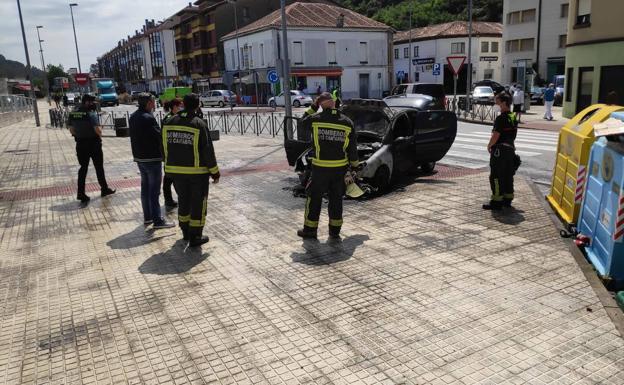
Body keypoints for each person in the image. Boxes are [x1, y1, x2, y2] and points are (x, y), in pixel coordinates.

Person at [297, 92, 358, 239]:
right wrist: (355, 167)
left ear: (321, 104)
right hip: (340, 170)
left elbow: (301, 122)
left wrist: (313, 107)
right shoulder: (347, 122)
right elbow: (352, 150)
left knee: (314, 198)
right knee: (336, 200)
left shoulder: (315, 119)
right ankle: (335, 231)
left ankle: (310, 231)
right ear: (334, 103)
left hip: (320, 170)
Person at [162, 93, 220, 247]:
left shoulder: (169, 121)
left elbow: (163, 147)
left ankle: (185, 233)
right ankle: (196, 236)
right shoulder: (198, 123)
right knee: (198, 204)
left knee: (183, 201)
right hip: (197, 174)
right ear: (197, 105)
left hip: (175, 172)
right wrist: (215, 171)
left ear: (182, 104)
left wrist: (167, 167)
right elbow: (207, 150)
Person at [129, 93, 174, 229]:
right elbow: (158, 137)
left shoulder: (133, 116)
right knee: (154, 191)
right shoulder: (148, 118)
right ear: (148, 103)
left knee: (145, 189)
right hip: (152, 158)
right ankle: (158, 221)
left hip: (140, 158)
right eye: (153, 102)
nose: (155, 105)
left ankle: (148, 217)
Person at [66, 94, 116, 203]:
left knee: (83, 168)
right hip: (94, 144)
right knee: (99, 167)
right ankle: (104, 189)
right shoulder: (91, 114)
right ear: (87, 102)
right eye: (92, 102)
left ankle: (81, 193)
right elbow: (97, 129)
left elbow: (71, 130)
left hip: (80, 144)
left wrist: (80, 135)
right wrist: (100, 133)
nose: (93, 104)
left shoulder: (73, 113)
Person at [483, 92, 518, 211]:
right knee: (508, 174)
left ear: (503, 103)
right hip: (510, 149)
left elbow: (496, 135)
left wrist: (489, 145)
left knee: (496, 176)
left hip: (499, 151)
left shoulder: (500, 118)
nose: (495, 104)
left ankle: (496, 202)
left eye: (496, 102)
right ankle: (507, 199)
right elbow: (512, 134)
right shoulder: (512, 116)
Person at [161, 98, 183, 209]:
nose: (181, 108)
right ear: (174, 107)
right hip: (169, 153)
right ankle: (169, 200)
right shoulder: (168, 119)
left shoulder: (174, 117)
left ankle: (171, 199)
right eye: (179, 106)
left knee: (170, 178)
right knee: (170, 178)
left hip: (174, 153)